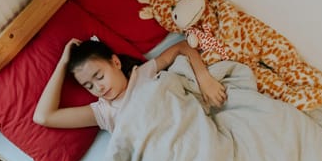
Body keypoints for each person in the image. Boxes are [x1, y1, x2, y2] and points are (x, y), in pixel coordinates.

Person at [33, 37, 227, 133]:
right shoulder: (104, 112)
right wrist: (63, 63)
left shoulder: (142, 73)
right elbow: (43, 117)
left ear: (115, 63)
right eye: (89, 86)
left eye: (99, 76)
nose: (98, 88)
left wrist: (205, 79)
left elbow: (183, 47)